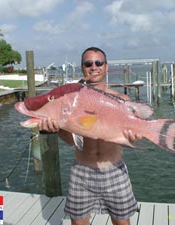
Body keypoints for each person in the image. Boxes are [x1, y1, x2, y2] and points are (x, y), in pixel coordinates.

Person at [38, 47, 140, 225]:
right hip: (82, 172)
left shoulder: (122, 100)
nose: (94, 67)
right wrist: (58, 127)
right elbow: (72, 141)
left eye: (99, 62)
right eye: (88, 63)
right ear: (82, 68)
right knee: (78, 223)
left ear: (106, 67)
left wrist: (134, 135)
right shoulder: (70, 100)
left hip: (115, 170)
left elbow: (134, 137)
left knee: (122, 222)